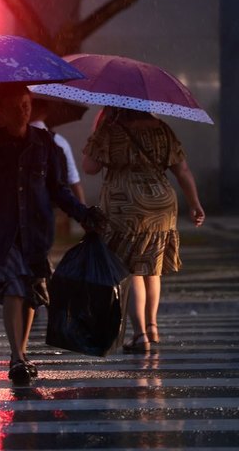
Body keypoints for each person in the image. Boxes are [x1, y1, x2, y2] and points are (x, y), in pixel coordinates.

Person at [0, 84, 103, 384]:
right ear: (1, 110)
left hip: (36, 231)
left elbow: (58, 189)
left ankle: (20, 354)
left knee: (31, 291)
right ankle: (17, 357)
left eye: (26, 104)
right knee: (15, 286)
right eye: (16, 106)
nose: (23, 111)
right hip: (1, 231)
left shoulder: (45, 143)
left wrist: (83, 214)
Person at [82, 106, 205, 353]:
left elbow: (89, 167)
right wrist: (195, 204)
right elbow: (182, 170)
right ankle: (152, 326)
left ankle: (139, 335)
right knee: (152, 266)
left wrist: (97, 136)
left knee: (130, 268)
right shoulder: (162, 129)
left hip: (126, 206)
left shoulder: (109, 130)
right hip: (161, 204)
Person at [29, 99, 85, 203]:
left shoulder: (13, 143)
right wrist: (84, 212)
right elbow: (73, 180)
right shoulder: (60, 141)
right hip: (57, 207)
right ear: (45, 112)